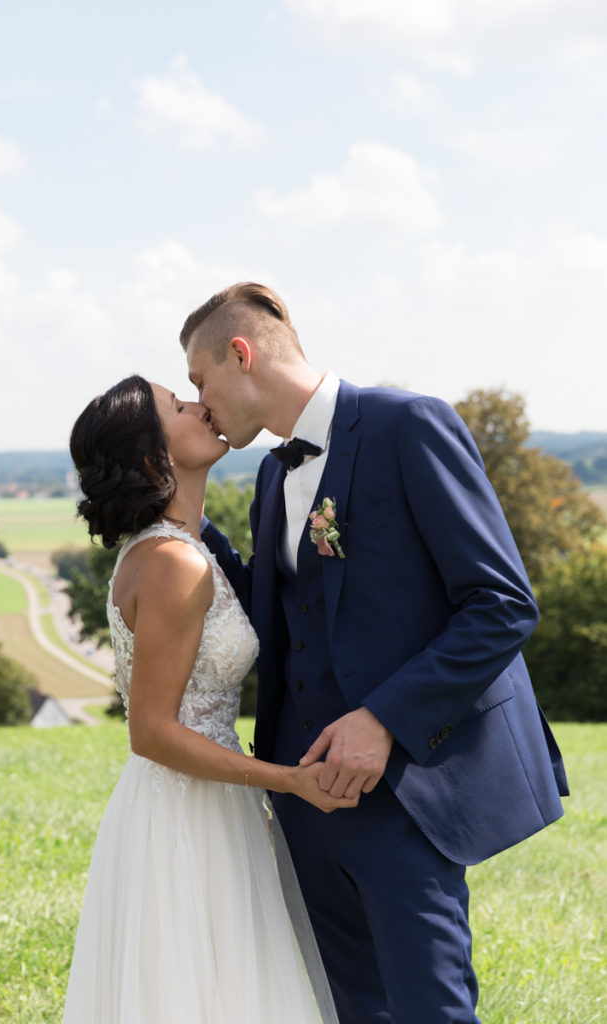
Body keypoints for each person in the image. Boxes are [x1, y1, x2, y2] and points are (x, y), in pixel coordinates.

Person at [180, 282, 570, 1024]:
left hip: (404, 788)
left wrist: (382, 720)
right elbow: (277, 610)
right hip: (302, 789)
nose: (200, 403)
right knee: (350, 1008)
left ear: (240, 354)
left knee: (429, 1009)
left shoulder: (410, 425)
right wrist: (179, 522)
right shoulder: (271, 472)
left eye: (201, 381)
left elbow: (501, 603)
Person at [62, 374, 352, 1024]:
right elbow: (152, 732)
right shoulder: (173, 564)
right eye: (178, 406)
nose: (201, 405)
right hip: (185, 816)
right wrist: (286, 780)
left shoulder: (184, 550)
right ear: (152, 457)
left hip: (207, 803)